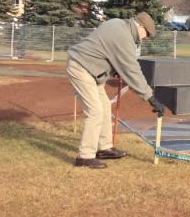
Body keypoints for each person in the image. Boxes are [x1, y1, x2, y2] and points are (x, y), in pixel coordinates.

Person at [66, 12, 165, 169]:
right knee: (95, 111)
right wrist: (150, 97)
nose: (145, 38)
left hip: (93, 71)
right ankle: (84, 157)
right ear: (140, 26)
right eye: (146, 34)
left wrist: (113, 68)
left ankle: (104, 148)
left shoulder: (117, 23)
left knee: (105, 107)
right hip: (81, 68)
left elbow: (104, 49)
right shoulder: (124, 37)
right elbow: (132, 71)